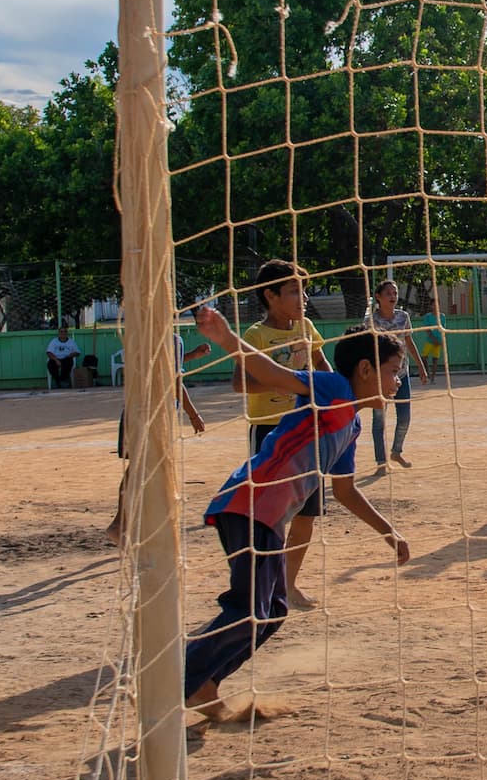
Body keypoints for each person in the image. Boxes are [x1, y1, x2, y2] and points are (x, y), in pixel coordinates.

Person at [182, 304, 411, 722]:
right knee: (251, 606)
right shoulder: (333, 388)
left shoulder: (351, 426)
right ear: (364, 369)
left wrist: (388, 532)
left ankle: (205, 680)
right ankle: (179, 674)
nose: (398, 382)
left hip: (267, 517)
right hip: (247, 503)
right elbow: (273, 375)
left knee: (272, 612)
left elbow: (344, 490)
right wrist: (227, 339)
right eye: (393, 371)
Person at [233, 259, 331, 609]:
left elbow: (322, 366)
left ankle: (288, 584)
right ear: (270, 296)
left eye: (302, 290)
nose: (301, 297)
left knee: (307, 513)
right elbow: (238, 382)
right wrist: (282, 378)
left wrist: (334, 396)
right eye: (293, 291)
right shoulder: (256, 336)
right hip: (270, 432)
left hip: (306, 430)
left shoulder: (305, 326)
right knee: (269, 514)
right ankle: (261, 586)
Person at [106, 331, 211, 548]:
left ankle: (128, 524)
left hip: (140, 412)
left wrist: (191, 355)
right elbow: (172, 379)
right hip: (151, 415)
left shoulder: (150, 334)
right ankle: (124, 524)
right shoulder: (167, 336)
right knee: (146, 472)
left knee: (140, 470)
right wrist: (193, 414)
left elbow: (162, 365)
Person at [362, 279, 430, 473]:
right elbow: (365, 347)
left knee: (405, 417)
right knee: (379, 420)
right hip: (379, 378)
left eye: (395, 293)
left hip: (402, 374)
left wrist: (421, 367)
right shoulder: (370, 322)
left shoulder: (403, 317)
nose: (393, 296)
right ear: (378, 297)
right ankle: (381, 462)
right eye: (388, 293)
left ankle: (396, 451)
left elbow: (409, 341)